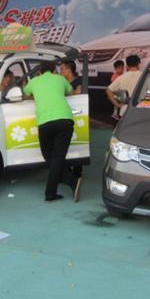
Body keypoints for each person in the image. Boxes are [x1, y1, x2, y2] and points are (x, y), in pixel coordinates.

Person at [23, 60, 77, 202]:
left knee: (48, 155)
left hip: (45, 123)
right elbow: (71, 92)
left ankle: (50, 193)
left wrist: (37, 95)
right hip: (65, 120)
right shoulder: (60, 79)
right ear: (54, 70)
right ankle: (72, 181)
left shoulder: (34, 81)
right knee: (56, 158)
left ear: (40, 72)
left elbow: (25, 94)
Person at [59, 59, 83, 201]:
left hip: (77, 116)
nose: (60, 72)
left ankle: (77, 174)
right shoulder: (61, 82)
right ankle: (67, 174)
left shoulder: (78, 82)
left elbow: (78, 95)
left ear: (68, 70)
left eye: (62, 69)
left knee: (78, 143)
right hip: (65, 116)